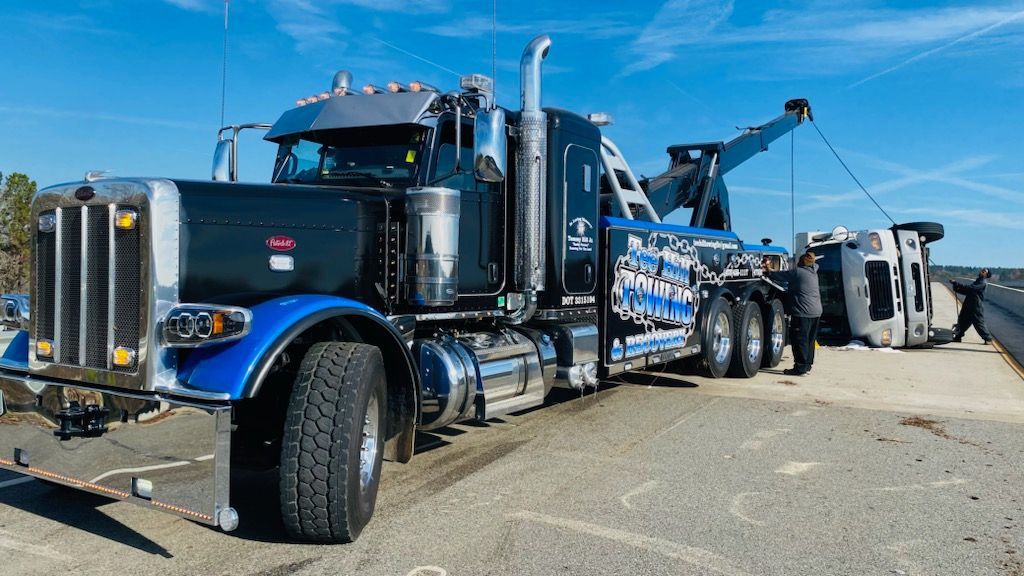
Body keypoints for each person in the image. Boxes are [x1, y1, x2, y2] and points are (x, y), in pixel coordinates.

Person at [766, 251, 822, 376]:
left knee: (799, 340)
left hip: (803, 312)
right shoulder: (813, 272)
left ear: (801, 262)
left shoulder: (798, 272)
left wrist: (768, 270)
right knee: (809, 340)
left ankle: (800, 368)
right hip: (816, 311)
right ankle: (807, 366)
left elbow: (780, 276)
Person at [951, 269, 993, 344]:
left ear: (986, 275)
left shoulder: (982, 282)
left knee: (978, 322)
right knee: (962, 320)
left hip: (976, 306)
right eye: (982, 270)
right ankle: (958, 336)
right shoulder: (977, 281)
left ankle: (988, 338)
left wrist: (958, 284)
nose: (981, 271)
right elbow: (968, 291)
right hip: (968, 304)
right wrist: (957, 288)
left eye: (984, 271)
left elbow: (971, 288)